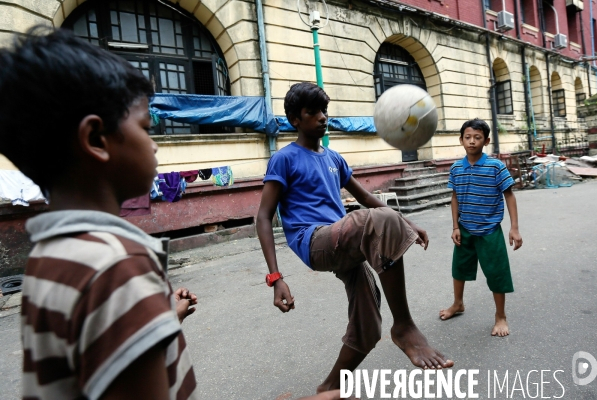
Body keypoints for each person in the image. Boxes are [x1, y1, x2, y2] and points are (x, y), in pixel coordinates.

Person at [0, 27, 343, 400]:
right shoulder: (117, 266)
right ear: (97, 140)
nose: (154, 145)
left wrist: (160, 316)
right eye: (147, 129)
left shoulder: (50, 258)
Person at [257, 82, 454, 394]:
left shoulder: (334, 158)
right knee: (381, 221)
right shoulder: (284, 159)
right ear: (295, 119)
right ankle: (403, 327)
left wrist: (406, 221)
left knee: (367, 326)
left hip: (345, 239)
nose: (322, 117)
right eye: (312, 112)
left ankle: (328, 388)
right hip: (315, 241)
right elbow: (263, 217)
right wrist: (275, 277)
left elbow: (365, 197)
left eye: (324, 111)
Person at [439, 118, 523, 337]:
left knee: (497, 273)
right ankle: (458, 304)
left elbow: (509, 196)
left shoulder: (495, 166)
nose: (472, 142)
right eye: (468, 137)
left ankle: (501, 316)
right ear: (461, 140)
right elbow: (455, 197)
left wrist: (514, 228)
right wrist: (455, 226)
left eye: (477, 138)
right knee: (459, 269)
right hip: (465, 229)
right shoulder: (456, 168)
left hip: (490, 231)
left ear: (486, 141)